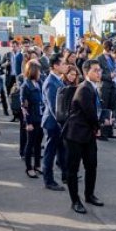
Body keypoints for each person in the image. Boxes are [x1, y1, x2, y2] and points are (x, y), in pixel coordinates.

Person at [63, 59, 104, 213]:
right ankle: (75, 201)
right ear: (87, 72)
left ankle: (89, 194)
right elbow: (90, 113)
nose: (99, 72)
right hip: (75, 135)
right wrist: (99, 126)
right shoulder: (84, 88)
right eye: (95, 70)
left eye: (100, 70)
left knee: (91, 166)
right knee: (73, 170)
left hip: (88, 134)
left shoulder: (92, 87)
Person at [41, 53, 67, 191]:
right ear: (55, 66)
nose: (66, 66)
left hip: (58, 123)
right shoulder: (51, 82)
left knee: (61, 151)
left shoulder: (58, 79)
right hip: (52, 123)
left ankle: (66, 174)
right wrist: (63, 124)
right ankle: (48, 180)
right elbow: (53, 108)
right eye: (63, 63)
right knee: (49, 153)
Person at [20, 60, 44, 179]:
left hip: (39, 117)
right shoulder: (26, 86)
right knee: (30, 144)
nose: (40, 72)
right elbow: (24, 106)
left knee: (38, 142)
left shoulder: (38, 83)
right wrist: (28, 122)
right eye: (38, 70)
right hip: (31, 118)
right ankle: (29, 168)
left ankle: (38, 165)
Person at [95, 40, 116, 138]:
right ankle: (102, 132)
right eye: (109, 49)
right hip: (104, 86)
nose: (110, 51)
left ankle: (110, 131)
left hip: (112, 85)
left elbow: (113, 69)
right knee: (103, 109)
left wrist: (114, 75)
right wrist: (109, 75)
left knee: (111, 109)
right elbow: (99, 74)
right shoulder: (99, 58)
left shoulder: (112, 59)